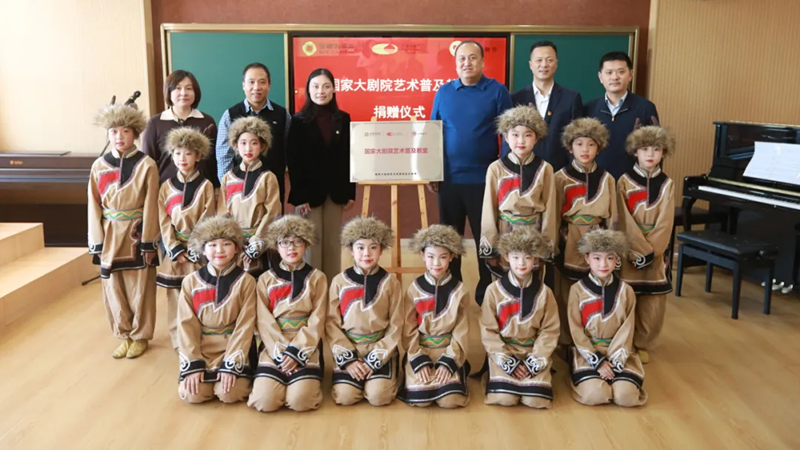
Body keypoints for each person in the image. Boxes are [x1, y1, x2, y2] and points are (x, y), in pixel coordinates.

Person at [430, 40, 513, 306]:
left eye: (473, 58)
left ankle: (486, 293)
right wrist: (433, 170)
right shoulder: (444, 92)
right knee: (450, 240)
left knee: (485, 240)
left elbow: (508, 134)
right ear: (455, 64)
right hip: (450, 181)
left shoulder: (497, 91)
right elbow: (433, 132)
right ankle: (451, 289)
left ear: (483, 61)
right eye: (462, 59)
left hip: (484, 181)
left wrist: (504, 172)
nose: (467, 63)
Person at [88, 104, 159, 359]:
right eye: (114, 131)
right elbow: (93, 204)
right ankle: (124, 334)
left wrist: (149, 241)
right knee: (113, 286)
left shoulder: (147, 164)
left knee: (141, 286)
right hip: (109, 232)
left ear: (135, 133)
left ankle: (140, 335)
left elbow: (152, 204)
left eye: (126, 131)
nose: (119, 136)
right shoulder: (99, 165)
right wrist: (96, 240)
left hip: (137, 232)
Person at [248, 215, 327, 412]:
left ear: (306, 245)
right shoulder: (265, 279)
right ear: (276, 246)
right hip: (273, 344)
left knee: (301, 401)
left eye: (297, 241)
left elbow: (318, 319)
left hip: (306, 344)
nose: (291, 248)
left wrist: (296, 351)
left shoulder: (318, 278)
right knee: (265, 402)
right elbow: (263, 320)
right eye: (285, 242)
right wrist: (281, 351)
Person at [177, 215, 256, 404]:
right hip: (202, 348)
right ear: (203, 249)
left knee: (229, 394)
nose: (219, 250)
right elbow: (186, 326)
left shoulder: (247, 281)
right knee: (193, 394)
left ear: (236, 248)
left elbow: (245, 326)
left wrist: (232, 363)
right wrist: (193, 363)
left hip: (234, 347)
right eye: (212, 245)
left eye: (226, 244)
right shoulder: (190, 282)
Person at [554, 117, 618, 347]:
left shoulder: (607, 178)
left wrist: (614, 245)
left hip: (598, 239)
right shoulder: (560, 177)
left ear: (598, 148)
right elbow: (553, 214)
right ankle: (566, 340)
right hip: (569, 238)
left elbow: (613, 216)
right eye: (579, 144)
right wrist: (555, 243)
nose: (585, 149)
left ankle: (591, 338)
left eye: (591, 144)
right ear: (570, 147)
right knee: (565, 290)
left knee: (593, 289)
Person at [480, 227, 560, 409]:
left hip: (534, 351)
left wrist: (535, 360)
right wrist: (507, 361)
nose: (521, 263)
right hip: (504, 351)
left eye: (528, 257)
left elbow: (550, 330)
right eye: (515, 257)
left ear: (536, 259)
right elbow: (488, 329)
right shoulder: (493, 290)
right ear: (506, 257)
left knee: (536, 401)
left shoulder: (545, 292)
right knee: (505, 399)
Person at [327, 217, 403, 407]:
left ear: (381, 250)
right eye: (360, 247)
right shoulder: (339, 281)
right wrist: (349, 361)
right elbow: (331, 323)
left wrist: (374, 360)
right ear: (351, 250)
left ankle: (387, 375)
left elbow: (396, 324)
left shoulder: (390, 282)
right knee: (345, 397)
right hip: (349, 346)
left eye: (373, 247)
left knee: (379, 397)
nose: (366, 253)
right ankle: (352, 373)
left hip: (380, 348)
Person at [287, 68, 355, 281]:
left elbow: (349, 156)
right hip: (308, 196)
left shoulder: (343, 119)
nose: (321, 91)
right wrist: (300, 196)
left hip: (336, 192)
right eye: (315, 86)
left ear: (334, 89)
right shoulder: (298, 121)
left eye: (326, 86)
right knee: (310, 245)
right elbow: (294, 161)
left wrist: (350, 192)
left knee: (333, 244)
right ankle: (311, 291)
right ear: (308, 90)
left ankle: (332, 290)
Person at [568, 229, 647, 407]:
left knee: (626, 397)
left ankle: (618, 379)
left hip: (619, 351)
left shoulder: (626, 291)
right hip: (588, 352)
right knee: (596, 395)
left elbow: (627, 329)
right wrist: (598, 361)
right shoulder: (577, 290)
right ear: (587, 258)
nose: (603, 264)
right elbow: (575, 329)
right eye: (597, 258)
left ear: (617, 259)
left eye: (610, 257)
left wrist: (615, 361)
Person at [618, 126, 676, 364]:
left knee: (653, 301)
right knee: (627, 297)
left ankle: (644, 343)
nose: (650, 154)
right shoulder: (624, 181)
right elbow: (623, 218)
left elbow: (666, 221)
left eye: (656, 149)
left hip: (656, 251)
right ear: (635, 152)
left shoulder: (667, 184)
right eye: (644, 149)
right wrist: (637, 248)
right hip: (630, 250)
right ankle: (625, 341)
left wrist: (653, 250)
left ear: (664, 153)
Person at [480, 105, 557, 281]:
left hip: (534, 231)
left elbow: (550, 210)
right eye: (515, 134)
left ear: (537, 137)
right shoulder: (496, 168)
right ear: (506, 137)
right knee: (506, 283)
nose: (521, 141)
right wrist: (491, 246)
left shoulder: (545, 169)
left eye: (528, 135)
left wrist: (546, 245)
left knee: (533, 282)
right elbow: (489, 210)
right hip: (505, 232)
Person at [155, 127, 216, 349]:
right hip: (175, 252)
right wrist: (174, 248)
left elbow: (207, 217)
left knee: (200, 294)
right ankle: (178, 340)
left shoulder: (206, 186)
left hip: (197, 251)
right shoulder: (166, 187)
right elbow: (163, 219)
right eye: (178, 153)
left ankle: (199, 336)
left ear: (198, 156)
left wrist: (193, 247)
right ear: (172, 156)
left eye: (188, 153)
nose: (183, 158)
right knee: (174, 297)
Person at [398, 225, 471, 408]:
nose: (436, 263)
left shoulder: (459, 291)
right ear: (422, 255)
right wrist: (417, 358)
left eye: (443, 257)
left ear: (452, 256)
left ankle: (455, 371)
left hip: (449, 350)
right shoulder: (414, 289)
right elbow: (408, 328)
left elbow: (461, 331)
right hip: (420, 349)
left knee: (450, 401)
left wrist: (449, 362)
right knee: (421, 400)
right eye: (430, 256)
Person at [216, 63, 290, 206]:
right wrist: (229, 186)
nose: (256, 87)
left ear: (269, 85)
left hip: (273, 189)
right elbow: (224, 155)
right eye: (251, 82)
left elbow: (289, 150)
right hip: (239, 191)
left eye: (262, 82)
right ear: (243, 85)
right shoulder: (230, 115)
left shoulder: (282, 114)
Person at [218, 116, 281, 278]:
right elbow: (223, 213)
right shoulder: (228, 177)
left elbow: (273, 212)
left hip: (259, 244)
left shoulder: (268, 177)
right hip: (235, 244)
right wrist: (233, 241)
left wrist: (257, 242)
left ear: (262, 146)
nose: (248, 148)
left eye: (254, 143)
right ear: (235, 145)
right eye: (243, 143)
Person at [509, 41, 583, 171]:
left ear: (556, 64)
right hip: (523, 171)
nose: (544, 65)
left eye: (549, 60)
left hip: (559, 172)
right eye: (539, 60)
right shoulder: (516, 98)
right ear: (530, 65)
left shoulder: (571, 98)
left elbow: (577, 140)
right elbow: (509, 138)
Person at [584, 52, 659, 179]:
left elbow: (657, 150)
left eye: (620, 72)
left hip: (633, 181)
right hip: (596, 180)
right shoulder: (589, 108)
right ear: (600, 77)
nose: (615, 77)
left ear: (630, 75)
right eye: (609, 73)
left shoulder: (646, 108)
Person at [141, 70, 219, 187]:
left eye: (189, 88)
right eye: (178, 88)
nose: (183, 93)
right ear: (169, 91)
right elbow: (147, 162)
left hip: (202, 189)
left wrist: (216, 188)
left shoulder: (207, 121)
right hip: (166, 191)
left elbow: (214, 161)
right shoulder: (155, 123)